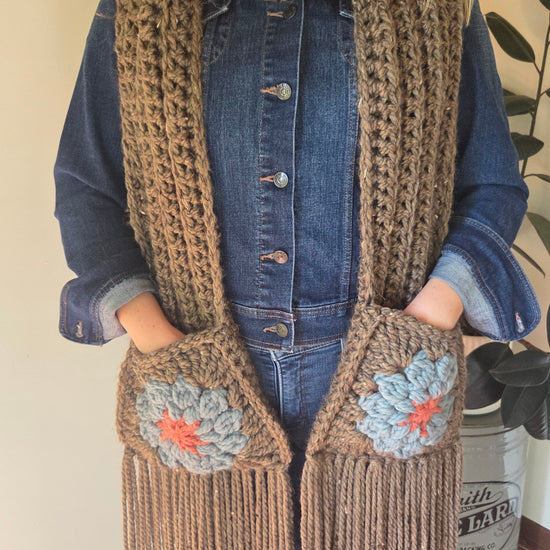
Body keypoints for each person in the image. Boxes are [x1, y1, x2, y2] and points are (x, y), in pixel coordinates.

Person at [53, 0, 541, 548]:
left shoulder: (438, 8)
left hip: (385, 370)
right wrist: (159, 340)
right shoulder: (138, 10)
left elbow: (493, 184)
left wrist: (428, 319)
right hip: (197, 373)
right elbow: (85, 187)